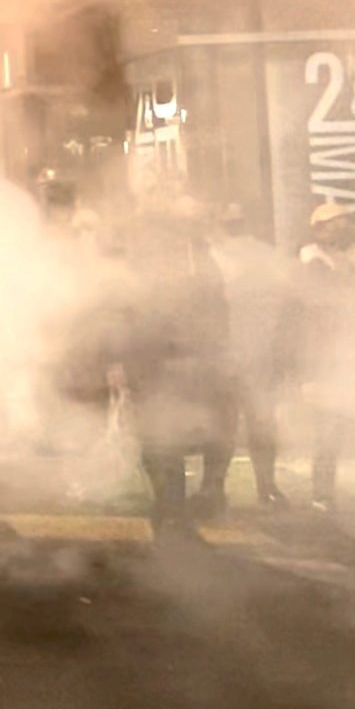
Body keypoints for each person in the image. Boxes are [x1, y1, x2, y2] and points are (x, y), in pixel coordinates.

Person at [118, 209, 231, 546]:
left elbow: (215, 320)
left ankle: (174, 512)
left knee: (168, 442)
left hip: (176, 369)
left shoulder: (199, 270)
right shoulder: (150, 274)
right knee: (160, 443)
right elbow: (129, 320)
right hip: (157, 368)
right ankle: (170, 511)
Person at [300, 202, 355, 522]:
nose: (339, 229)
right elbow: (312, 316)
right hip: (328, 361)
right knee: (328, 432)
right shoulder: (312, 263)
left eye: (342, 222)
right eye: (331, 224)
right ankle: (322, 495)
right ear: (319, 231)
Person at [208, 204, 293, 510]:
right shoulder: (219, 255)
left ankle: (253, 487)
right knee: (236, 425)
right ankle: (224, 488)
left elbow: (281, 301)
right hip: (236, 351)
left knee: (249, 424)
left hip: (248, 351)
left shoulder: (229, 256)